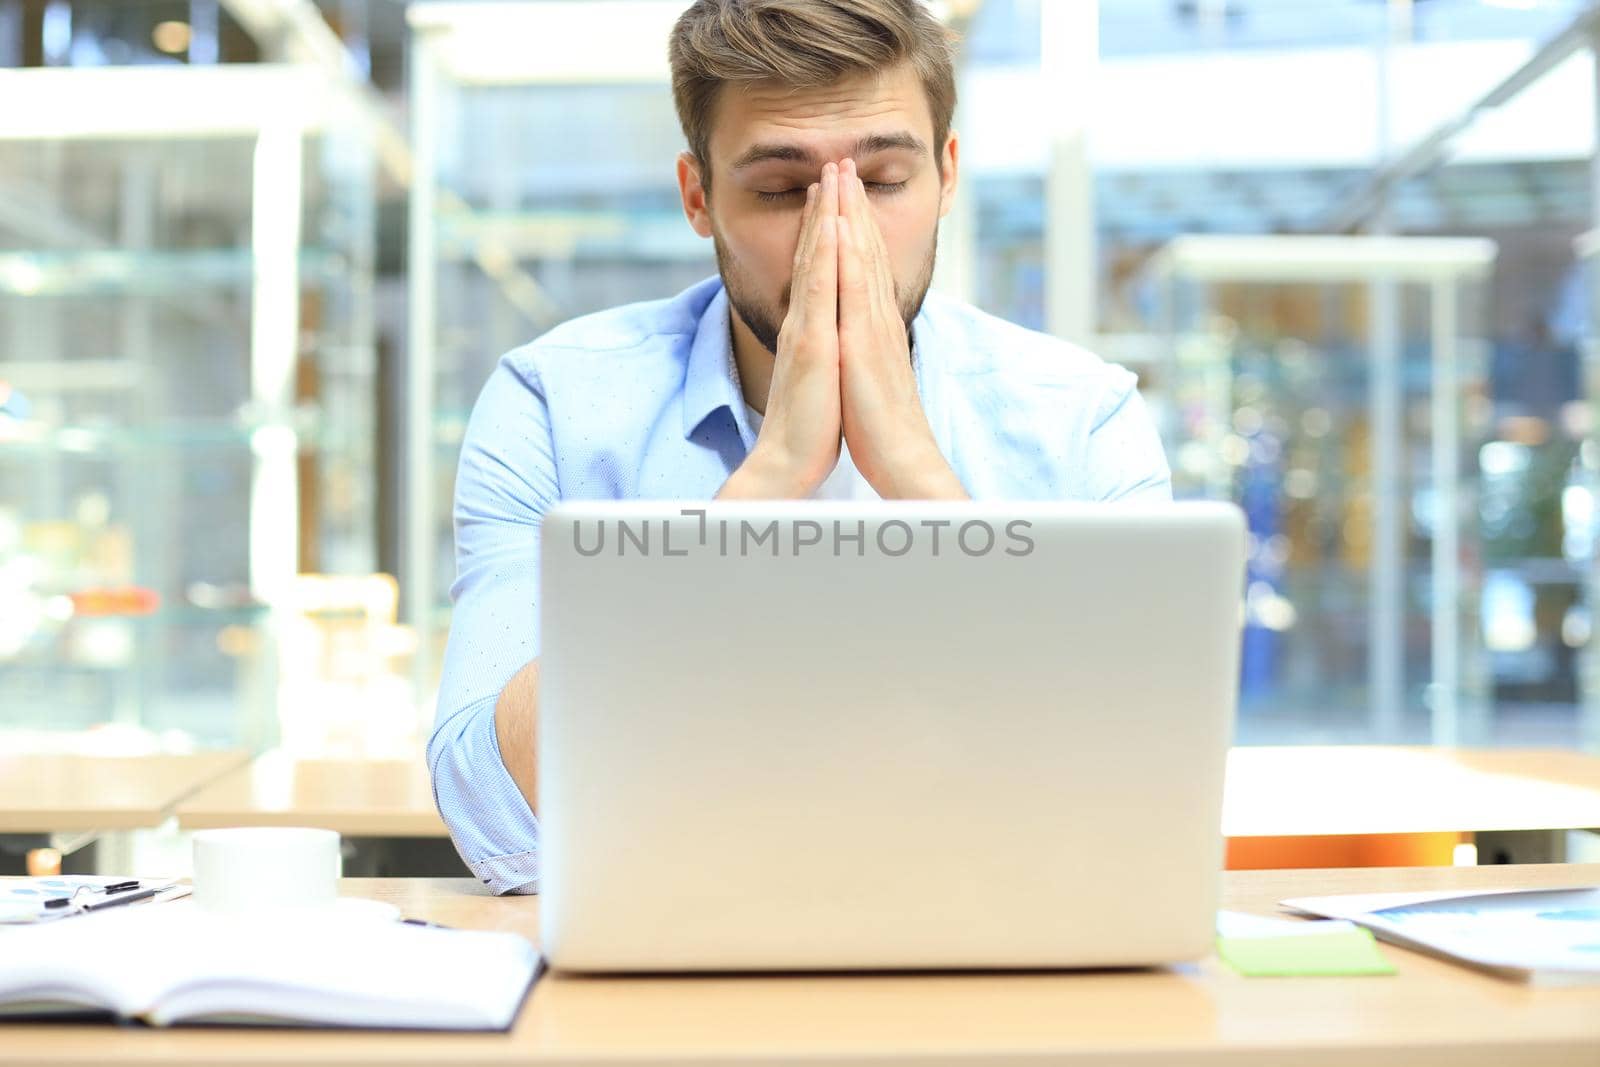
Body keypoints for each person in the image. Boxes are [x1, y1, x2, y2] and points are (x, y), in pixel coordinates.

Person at [428, 0, 1172, 894]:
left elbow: (1136, 780)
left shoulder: (1080, 415)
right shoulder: (555, 403)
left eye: (886, 181)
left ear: (947, 175)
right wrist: (771, 477)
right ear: (698, 196)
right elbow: (489, 801)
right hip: (670, 952)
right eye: (781, 191)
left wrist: (915, 471)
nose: (837, 234)